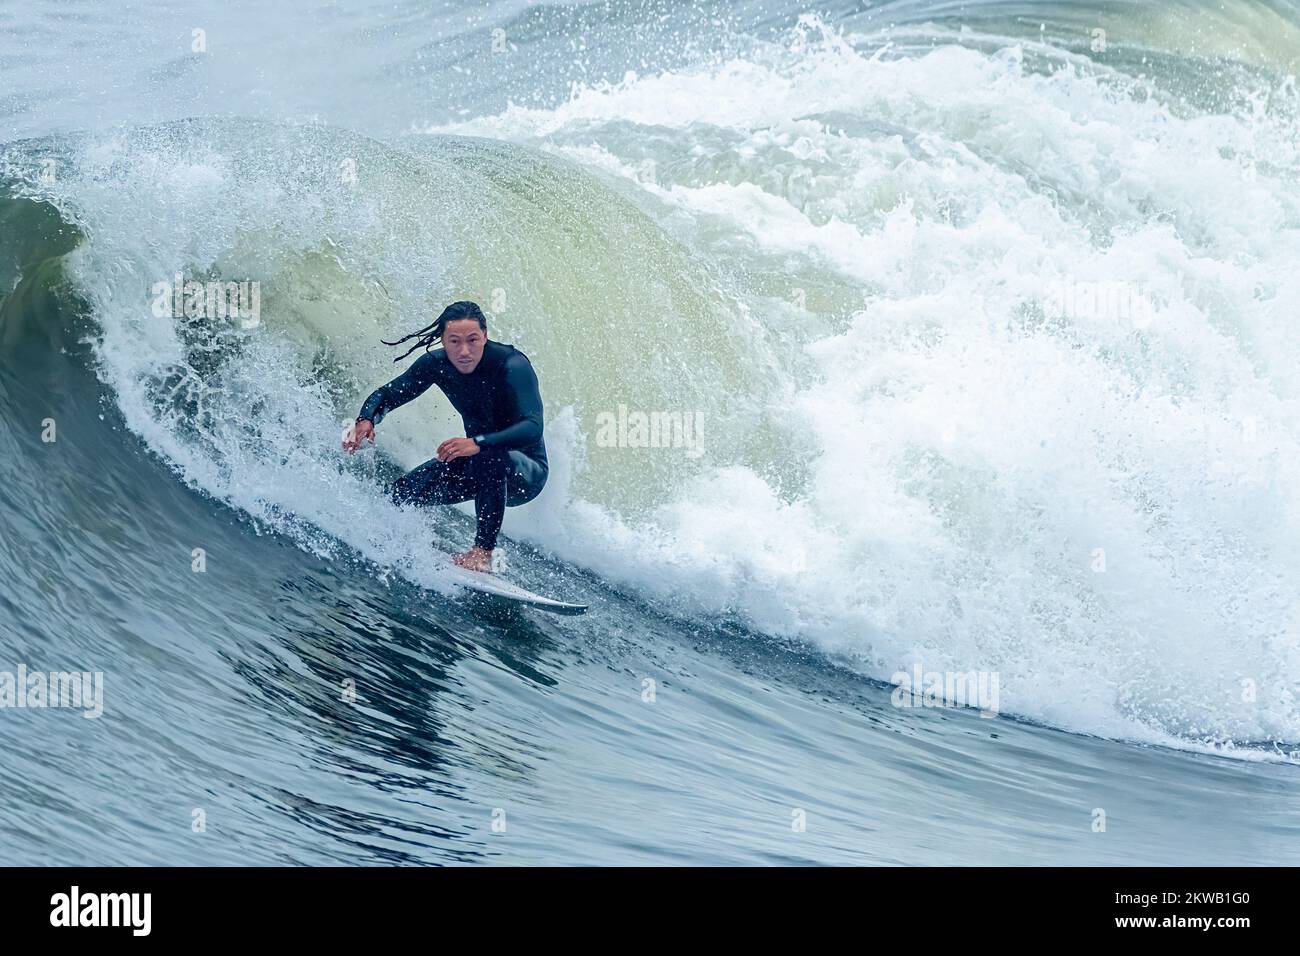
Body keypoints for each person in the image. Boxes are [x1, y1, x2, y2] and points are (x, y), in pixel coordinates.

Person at [342, 301, 548, 572]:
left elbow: (532, 427)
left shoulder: (512, 365)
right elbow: (390, 393)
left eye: (473, 340)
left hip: (524, 474)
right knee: (400, 495)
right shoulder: (436, 364)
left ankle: (483, 552)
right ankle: (402, 539)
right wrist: (366, 419)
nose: (464, 351)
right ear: (443, 340)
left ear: (485, 336)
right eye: (454, 341)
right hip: (477, 465)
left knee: (490, 455)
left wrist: (477, 442)